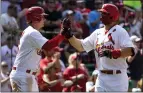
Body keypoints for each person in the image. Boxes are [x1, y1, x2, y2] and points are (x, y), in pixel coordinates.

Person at [61, 4, 135, 92]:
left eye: (104, 14)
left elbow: (130, 50)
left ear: (112, 16)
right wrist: (69, 36)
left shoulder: (120, 31)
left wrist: (112, 53)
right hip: (101, 78)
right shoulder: (97, 33)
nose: (101, 16)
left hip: (118, 78)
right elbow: (81, 46)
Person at [9, 6, 69, 92]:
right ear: (36, 18)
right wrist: (62, 33)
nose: (44, 19)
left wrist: (39, 79)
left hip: (28, 75)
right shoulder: (32, 32)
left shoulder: (31, 31)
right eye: (42, 17)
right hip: (22, 75)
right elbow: (48, 46)